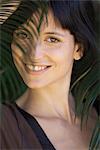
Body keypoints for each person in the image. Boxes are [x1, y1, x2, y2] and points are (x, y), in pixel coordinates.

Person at [0, 0, 99, 149]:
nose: (34, 54)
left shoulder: (96, 106)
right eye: (24, 35)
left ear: (78, 49)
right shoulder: (6, 129)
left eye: (52, 39)